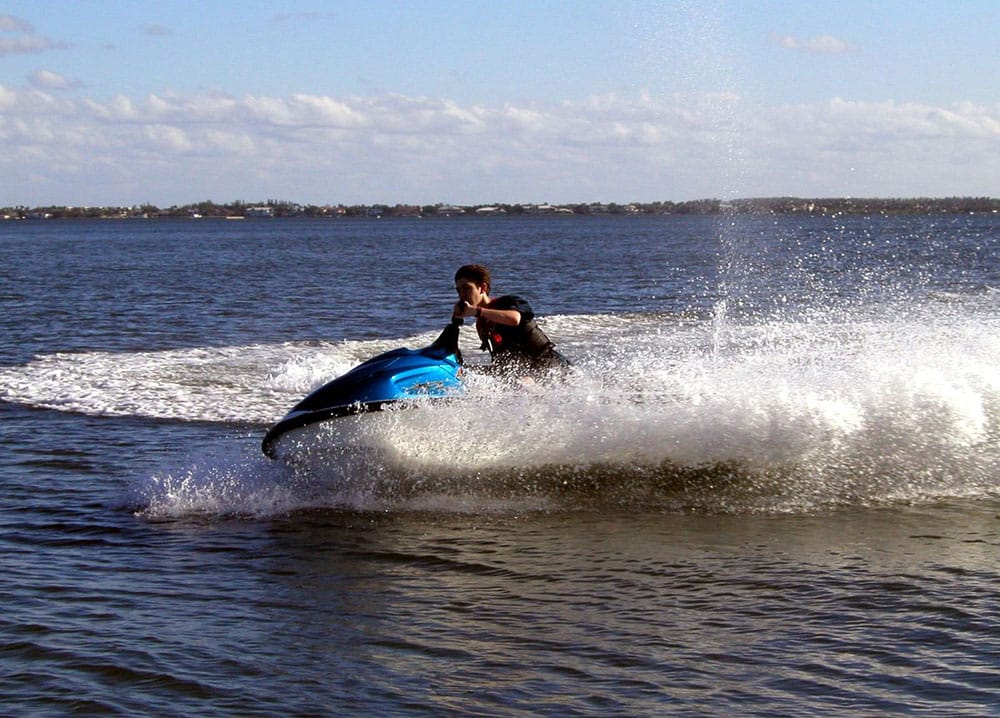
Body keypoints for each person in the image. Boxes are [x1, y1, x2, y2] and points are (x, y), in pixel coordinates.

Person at [451, 263, 570, 375]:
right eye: (458, 290)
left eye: (466, 288)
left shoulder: (509, 302)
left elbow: (514, 319)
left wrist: (477, 311)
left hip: (554, 367)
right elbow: (502, 365)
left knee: (523, 381)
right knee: (464, 372)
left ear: (482, 288)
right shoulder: (482, 325)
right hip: (526, 373)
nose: (462, 295)